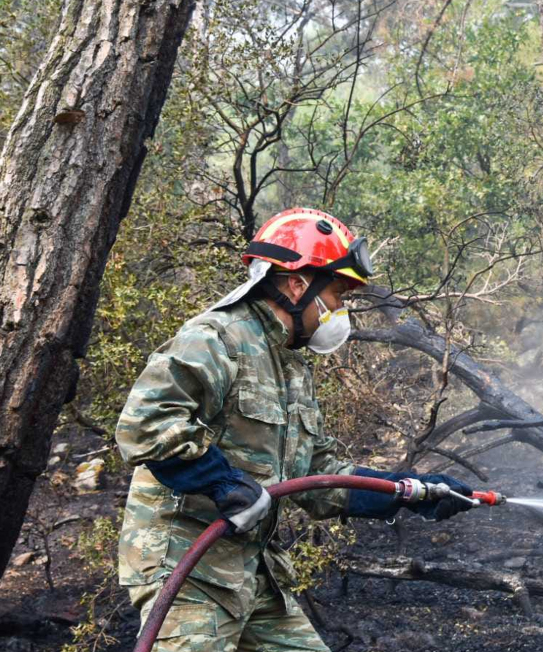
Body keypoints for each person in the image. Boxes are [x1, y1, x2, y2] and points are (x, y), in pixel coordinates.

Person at [115, 208, 472, 651]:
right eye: (339, 293)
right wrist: (223, 483)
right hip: (188, 568)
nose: (341, 310)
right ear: (299, 283)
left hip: (254, 571)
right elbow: (145, 424)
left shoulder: (291, 366)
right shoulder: (216, 337)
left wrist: (410, 491)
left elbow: (318, 475)